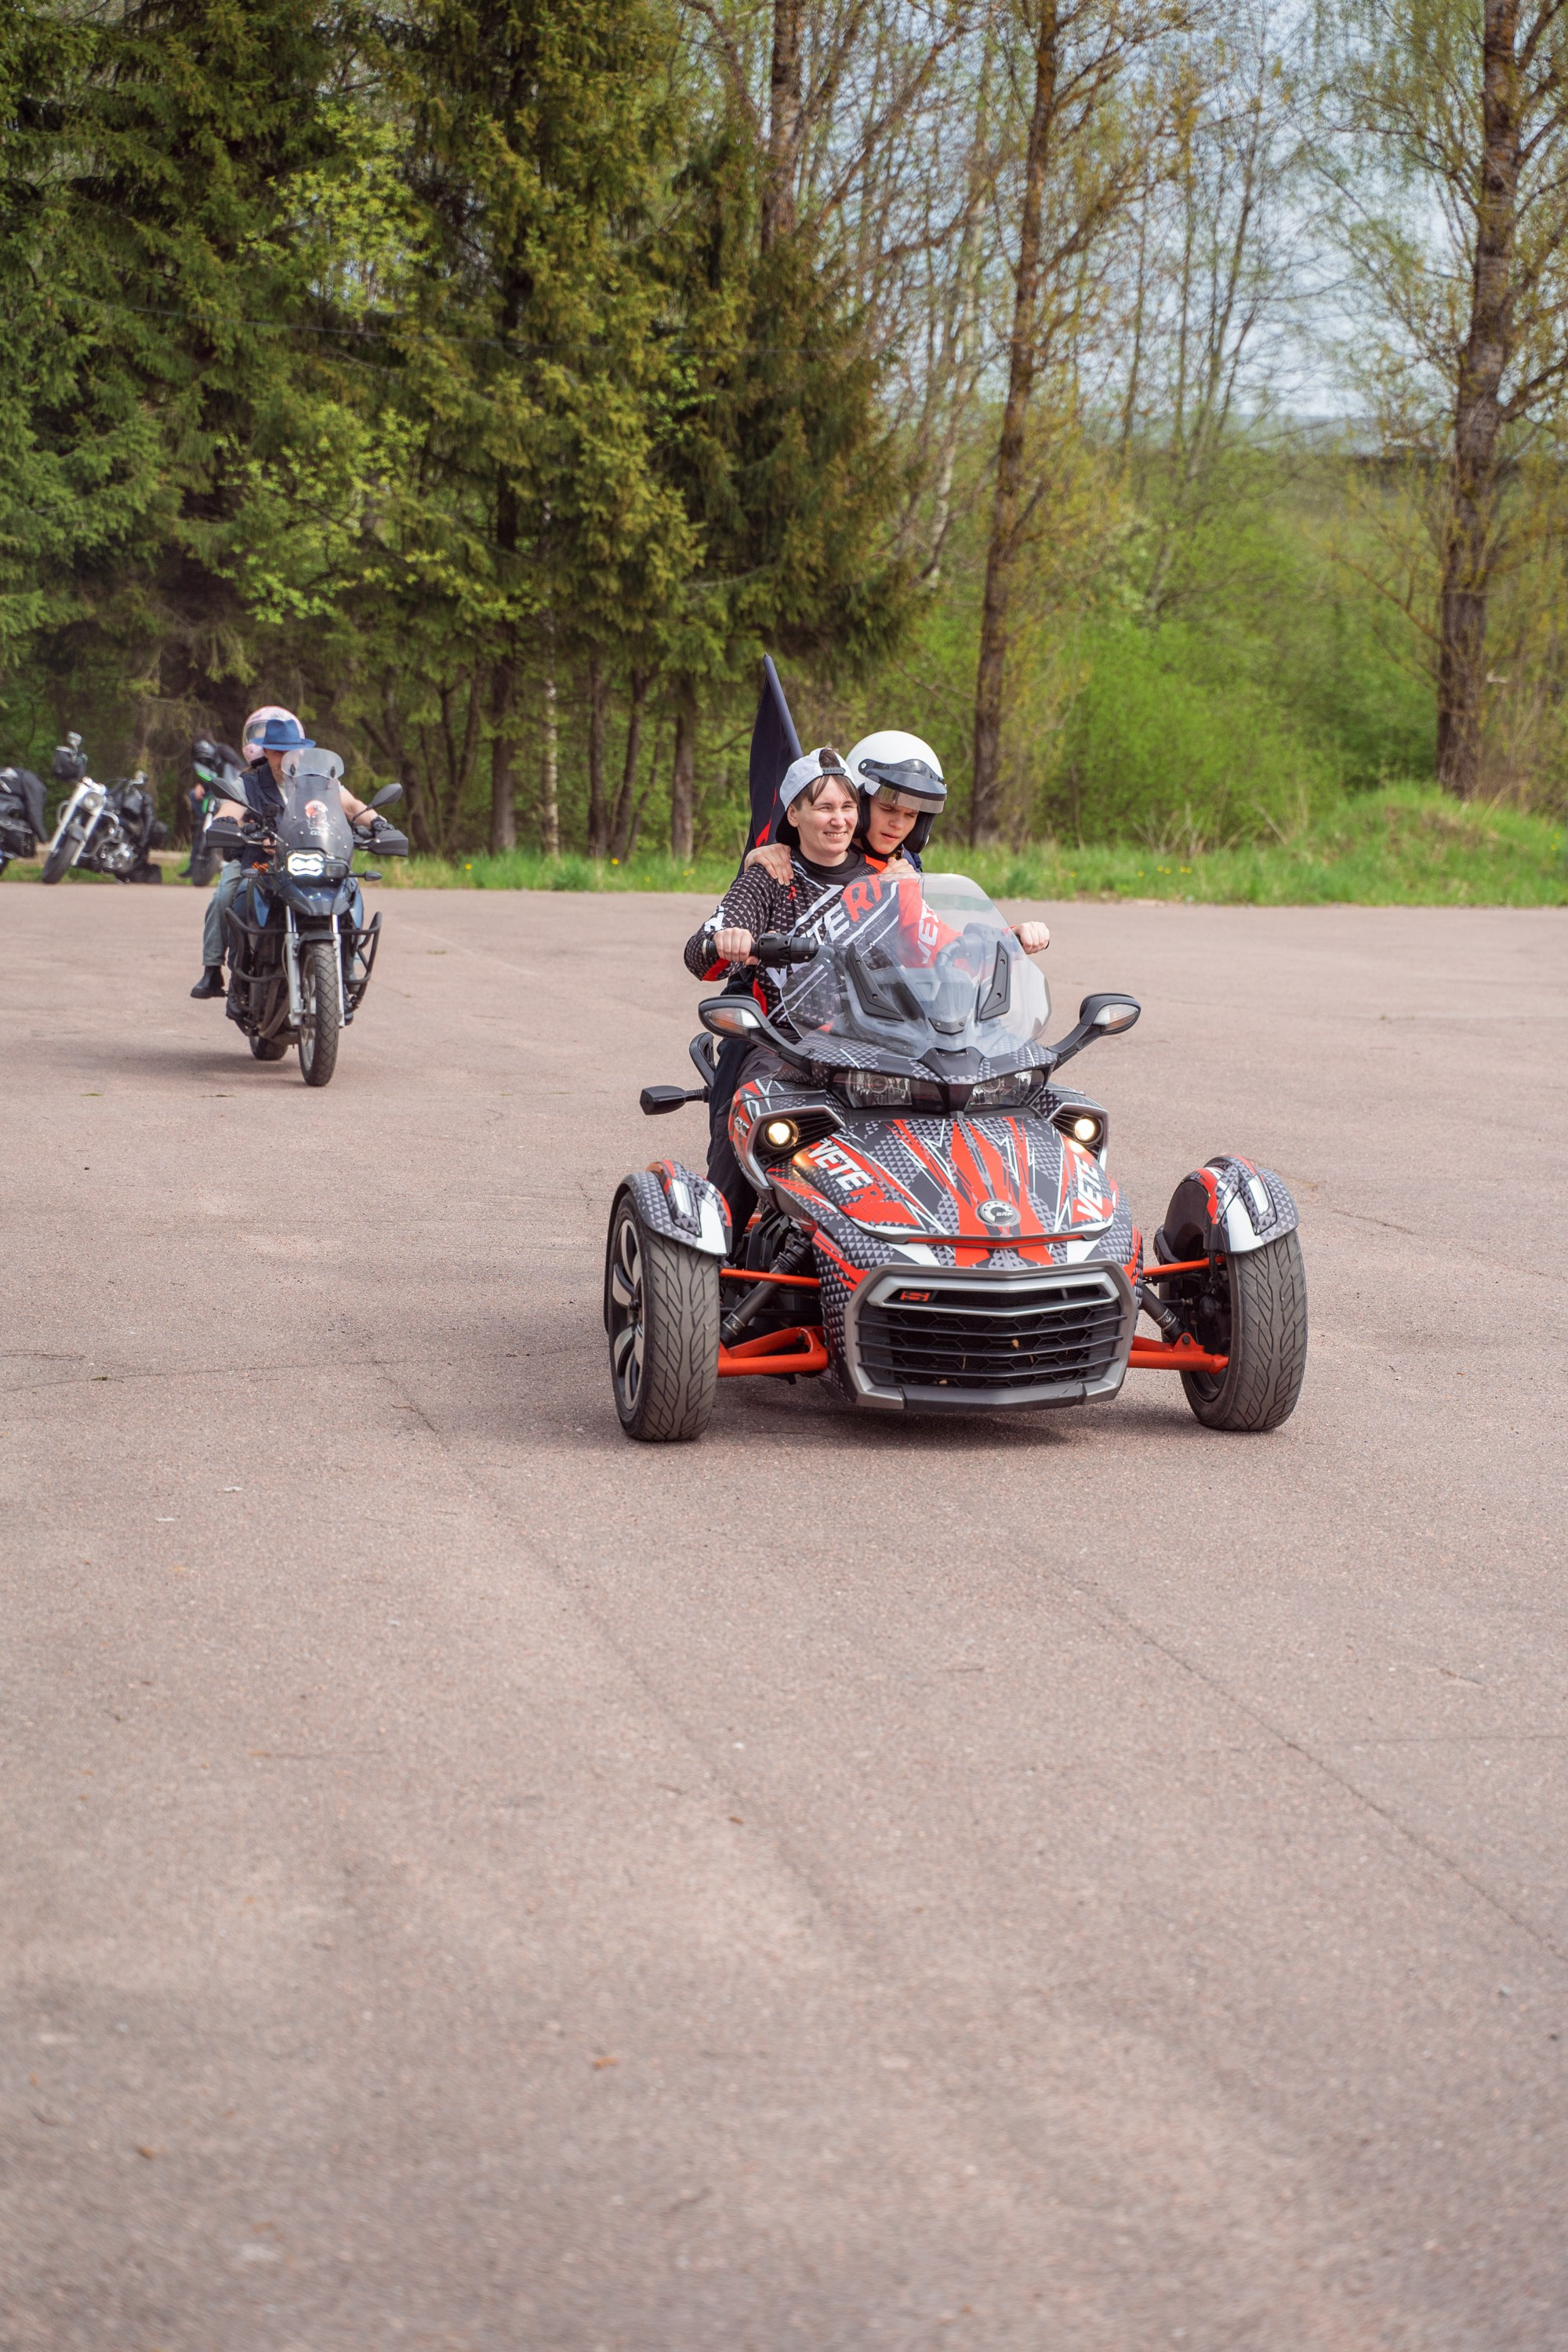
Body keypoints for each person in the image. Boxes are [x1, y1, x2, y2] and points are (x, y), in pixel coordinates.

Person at [684, 749, 868, 1245]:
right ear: (794, 814)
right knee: (743, 1129)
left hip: (869, 1043)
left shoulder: (879, 882)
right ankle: (714, 1256)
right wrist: (728, 939)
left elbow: (933, 949)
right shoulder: (769, 875)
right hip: (780, 1042)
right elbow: (699, 954)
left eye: (847, 807)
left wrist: (1004, 937)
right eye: (824, 807)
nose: (838, 820)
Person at [742, 727, 1051, 955]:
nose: (898, 824)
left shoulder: (902, 864)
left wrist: (1010, 938)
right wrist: (767, 852)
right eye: (888, 808)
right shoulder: (813, 851)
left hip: (870, 1011)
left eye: (911, 815)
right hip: (786, 1017)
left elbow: (939, 944)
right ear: (859, 803)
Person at [190, 708, 381, 998]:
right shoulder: (250, 782)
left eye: (292, 751)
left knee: (350, 888)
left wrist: (379, 823)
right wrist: (226, 822)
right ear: (266, 751)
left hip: (313, 859)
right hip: (261, 862)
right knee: (227, 896)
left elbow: (353, 806)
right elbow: (231, 807)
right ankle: (214, 969)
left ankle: (348, 963)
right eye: (279, 752)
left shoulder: (320, 781)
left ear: (302, 751)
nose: (286, 757)